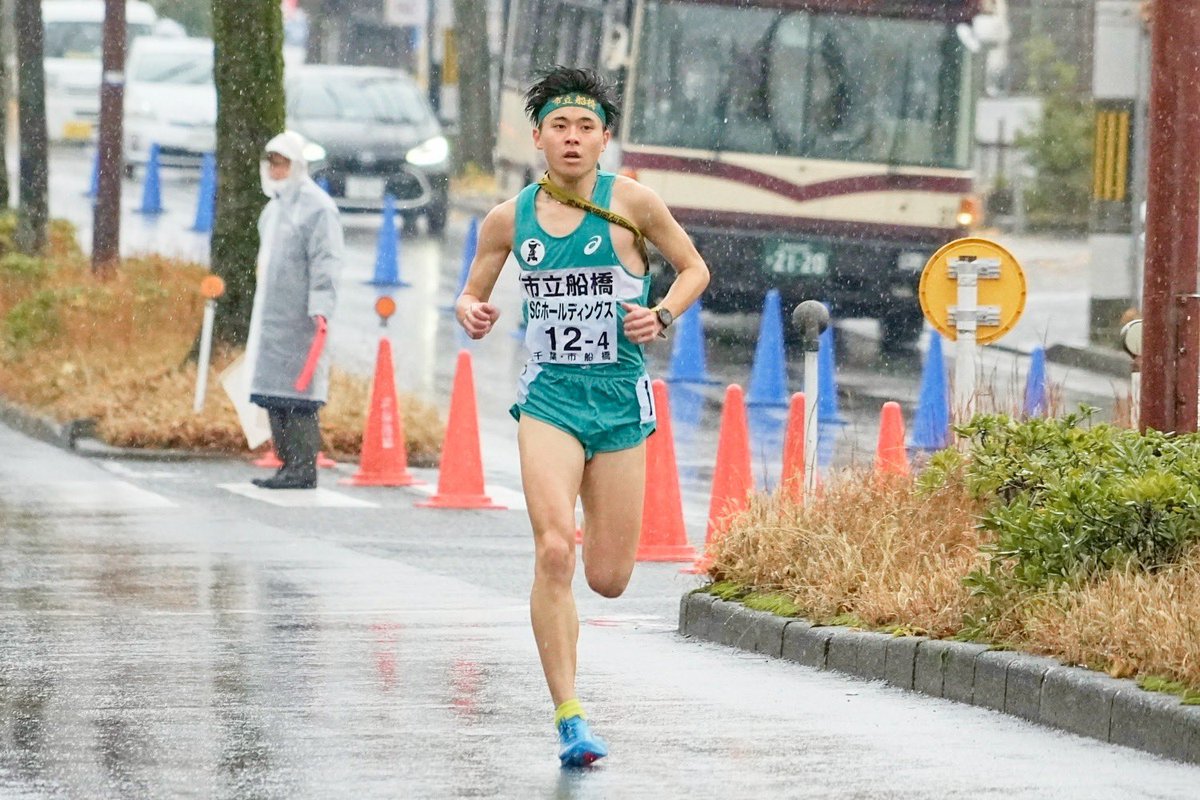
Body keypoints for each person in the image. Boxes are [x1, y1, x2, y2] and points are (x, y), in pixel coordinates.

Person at [455, 66, 710, 766]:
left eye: (586, 127)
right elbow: (472, 292)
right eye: (559, 126)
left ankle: (575, 681)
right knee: (552, 549)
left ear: (604, 139)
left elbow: (694, 269)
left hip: (620, 401)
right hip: (551, 399)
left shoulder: (634, 203)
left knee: (609, 578)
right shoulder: (508, 218)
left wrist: (662, 313)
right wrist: (471, 310)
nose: (572, 138)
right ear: (537, 138)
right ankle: (570, 716)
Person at [245, 130, 344, 490]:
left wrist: (320, 307)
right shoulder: (273, 209)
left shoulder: (317, 208)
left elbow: (326, 261)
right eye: (272, 163)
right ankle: (287, 463)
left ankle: (302, 466)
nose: (276, 170)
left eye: (283, 163)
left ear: (298, 165)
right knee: (274, 392)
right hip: (272, 317)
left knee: (300, 396)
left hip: (302, 318)